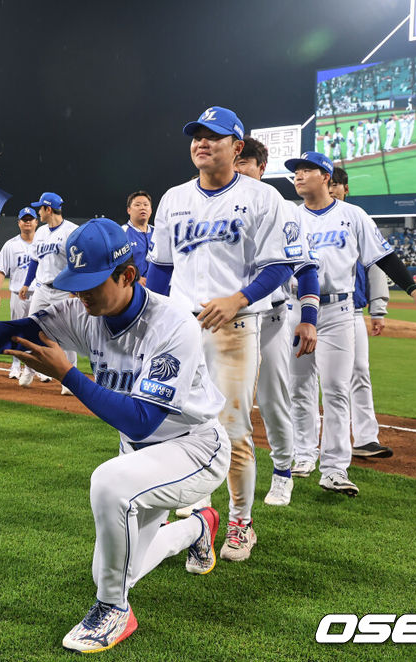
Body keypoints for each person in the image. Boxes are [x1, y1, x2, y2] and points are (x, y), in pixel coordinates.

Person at [0, 219, 230, 654]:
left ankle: (114, 611)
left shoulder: (172, 324)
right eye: (77, 282)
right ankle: (198, 527)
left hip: (194, 447)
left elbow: (141, 420)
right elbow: (7, 332)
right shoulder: (84, 313)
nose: (81, 293)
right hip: (143, 456)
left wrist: (68, 375)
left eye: (92, 283)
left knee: (110, 485)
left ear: (127, 276)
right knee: (116, 565)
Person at [148, 106, 305, 562]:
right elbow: (160, 269)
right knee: (172, 422)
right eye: (196, 136)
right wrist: (149, 321)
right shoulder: (174, 198)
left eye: (213, 137)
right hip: (179, 325)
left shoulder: (263, 198)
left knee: (232, 428)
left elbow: (280, 265)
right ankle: (197, 508)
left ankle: (241, 523)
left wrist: (238, 298)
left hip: (234, 326)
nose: (201, 143)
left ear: (237, 148)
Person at [286, 152, 416, 496]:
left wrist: (414, 291)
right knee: (299, 387)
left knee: (337, 388)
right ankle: (303, 454)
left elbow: (383, 257)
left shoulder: (352, 215)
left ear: (326, 176)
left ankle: (335, 468)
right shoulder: (288, 216)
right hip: (297, 309)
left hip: (340, 310)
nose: (298, 176)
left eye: (306, 170)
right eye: (296, 171)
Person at [232, 137, 319, 508]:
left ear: (261, 168)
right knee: (223, 403)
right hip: (228, 322)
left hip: (270, 317)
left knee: (271, 400)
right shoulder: (216, 206)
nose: (238, 170)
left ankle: (283, 473)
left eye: (245, 163)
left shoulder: (284, 209)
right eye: (235, 163)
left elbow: (307, 268)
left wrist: (310, 318)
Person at [327, 167, 394, 459]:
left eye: (335, 185)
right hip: (303, 310)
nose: (330, 190)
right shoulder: (300, 217)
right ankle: (299, 444)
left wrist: (378, 309)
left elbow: (377, 265)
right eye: (327, 184)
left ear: (345, 188)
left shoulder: (355, 218)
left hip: (349, 310)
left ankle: (366, 438)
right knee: (300, 381)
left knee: (358, 373)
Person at [18, 192, 79, 392]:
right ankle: (29, 369)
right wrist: (27, 284)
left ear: (48, 209)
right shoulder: (41, 233)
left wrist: (74, 290)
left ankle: (70, 379)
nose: (38, 212)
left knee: (67, 335)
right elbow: (35, 260)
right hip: (42, 290)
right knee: (31, 329)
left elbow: (77, 264)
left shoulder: (72, 231)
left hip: (63, 291)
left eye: (40, 208)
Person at [0, 207, 37, 379]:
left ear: (36, 222)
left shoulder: (42, 244)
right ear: (18, 223)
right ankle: (15, 365)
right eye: (24, 219)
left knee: (38, 332)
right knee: (17, 331)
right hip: (18, 294)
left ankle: (34, 367)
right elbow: (1, 270)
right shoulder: (11, 245)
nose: (27, 222)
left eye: (30, 219)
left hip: (38, 294)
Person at [121, 191, 154, 285]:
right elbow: (114, 263)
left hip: (158, 288)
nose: (142, 207)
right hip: (131, 287)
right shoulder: (122, 232)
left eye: (145, 205)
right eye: (138, 205)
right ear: (129, 210)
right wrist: (135, 279)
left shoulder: (159, 232)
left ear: (151, 210)